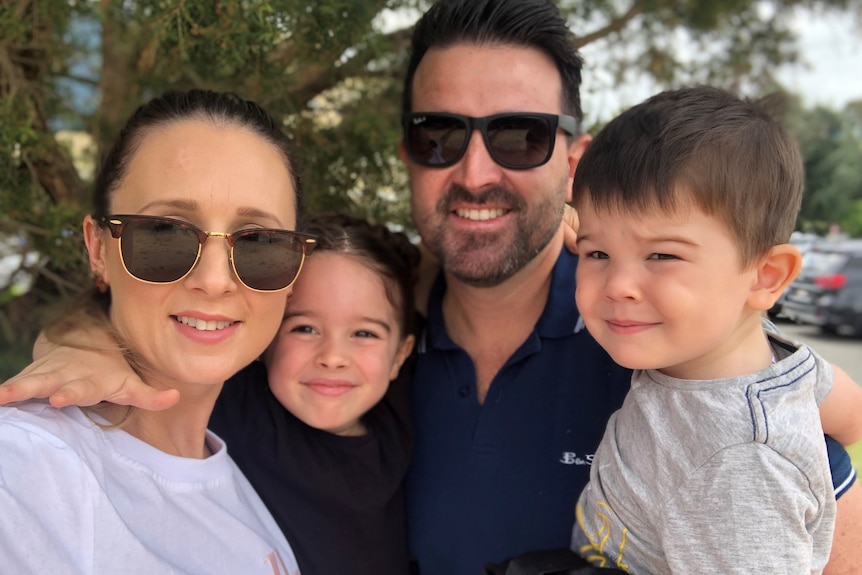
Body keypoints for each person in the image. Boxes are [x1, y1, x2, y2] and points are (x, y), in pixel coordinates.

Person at [2, 1, 862, 574]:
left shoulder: (656, 342)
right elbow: (202, 309)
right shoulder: (368, 338)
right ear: (409, 154)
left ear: (575, 157)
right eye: (439, 133)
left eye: (521, 135)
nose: (476, 170)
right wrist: (87, 337)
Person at [0, 89, 313, 573]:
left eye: (260, 243)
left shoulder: (244, 472)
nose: (213, 281)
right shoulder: (29, 465)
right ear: (98, 249)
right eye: (165, 233)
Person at [569, 85, 862, 573]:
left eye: (662, 255)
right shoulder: (761, 352)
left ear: (765, 276)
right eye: (597, 253)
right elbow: (850, 415)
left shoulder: (739, 469)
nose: (618, 285)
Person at [211, 213, 418, 574]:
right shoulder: (231, 405)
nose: (333, 358)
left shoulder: (403, 416)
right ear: (265, 338)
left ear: (400, 355)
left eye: (364, 334)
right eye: (305, 328)